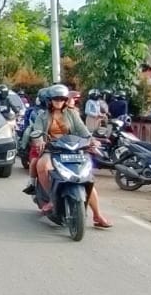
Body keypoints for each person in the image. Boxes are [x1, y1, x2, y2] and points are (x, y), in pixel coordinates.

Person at [28, 83, 112, 228]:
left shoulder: (72, 114)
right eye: (56, 99)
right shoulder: (42, 116)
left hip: (72, 148)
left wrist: (92, 141)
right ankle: (52, 198)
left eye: (62, 99)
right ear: (50, 100)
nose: (59, 101)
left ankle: (98, 215)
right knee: (42, 165)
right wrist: (40, 140)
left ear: (66, 100)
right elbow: (37, 131)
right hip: (53, 149)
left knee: (85, 177)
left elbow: (83, 131)